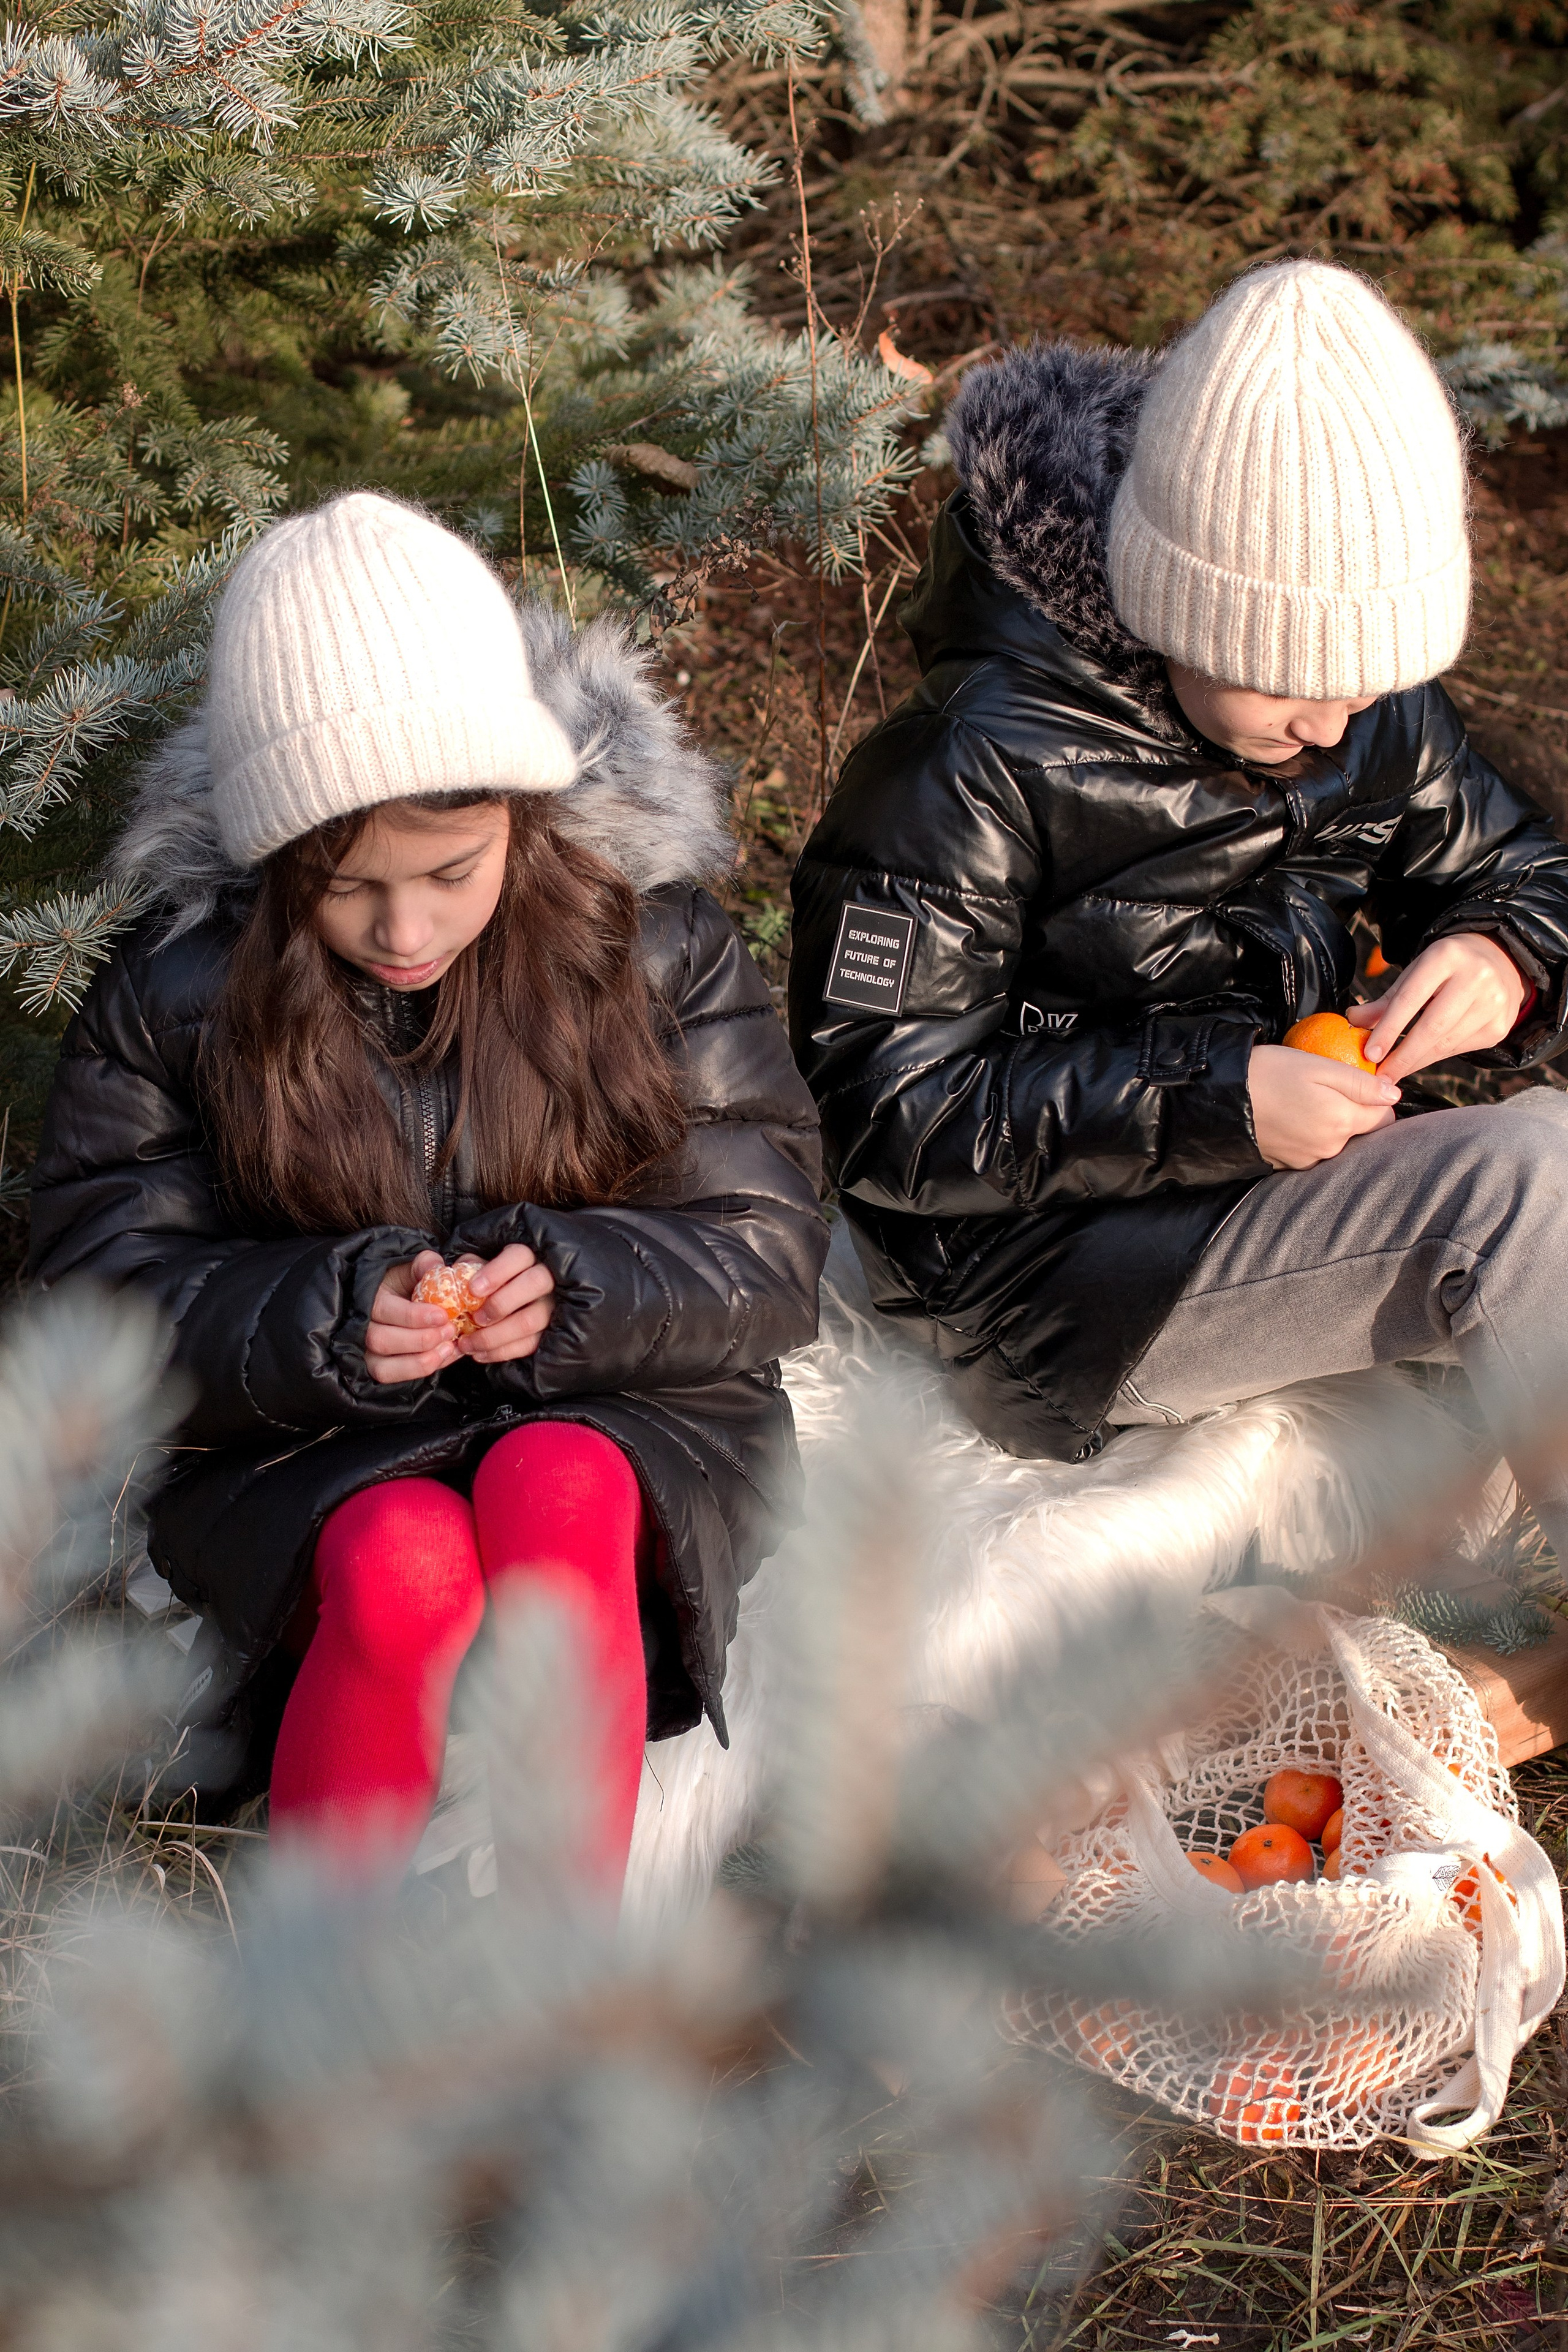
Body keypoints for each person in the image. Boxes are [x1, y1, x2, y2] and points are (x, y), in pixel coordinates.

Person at [31, 491, 827, 1887]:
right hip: (309, 1439)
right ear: (275, 856)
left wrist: (576, 1285)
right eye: (344, 888)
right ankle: (322, 1973)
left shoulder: (651, 943)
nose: (404, 929)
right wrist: (328, 1316)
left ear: (522, 809)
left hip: (631, 1406)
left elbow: (764, 1248)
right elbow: (105, 1304)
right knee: (405, 1562)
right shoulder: (177, 992)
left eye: (452, 873)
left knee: (559, 1487)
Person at [790, 260, 1568, 1548]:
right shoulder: (966, 762)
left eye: (1367, 685)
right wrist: (1212, 1098)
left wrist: (1507, 951)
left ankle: (1491, 1592)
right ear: (1174, 608)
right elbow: (885, 1113)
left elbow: (1521, 871)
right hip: (1047, 1276)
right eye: (1285, 682)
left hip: (1280, 1186)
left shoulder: (1358, 696)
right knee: (1526, 1190)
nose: (1333, 726)